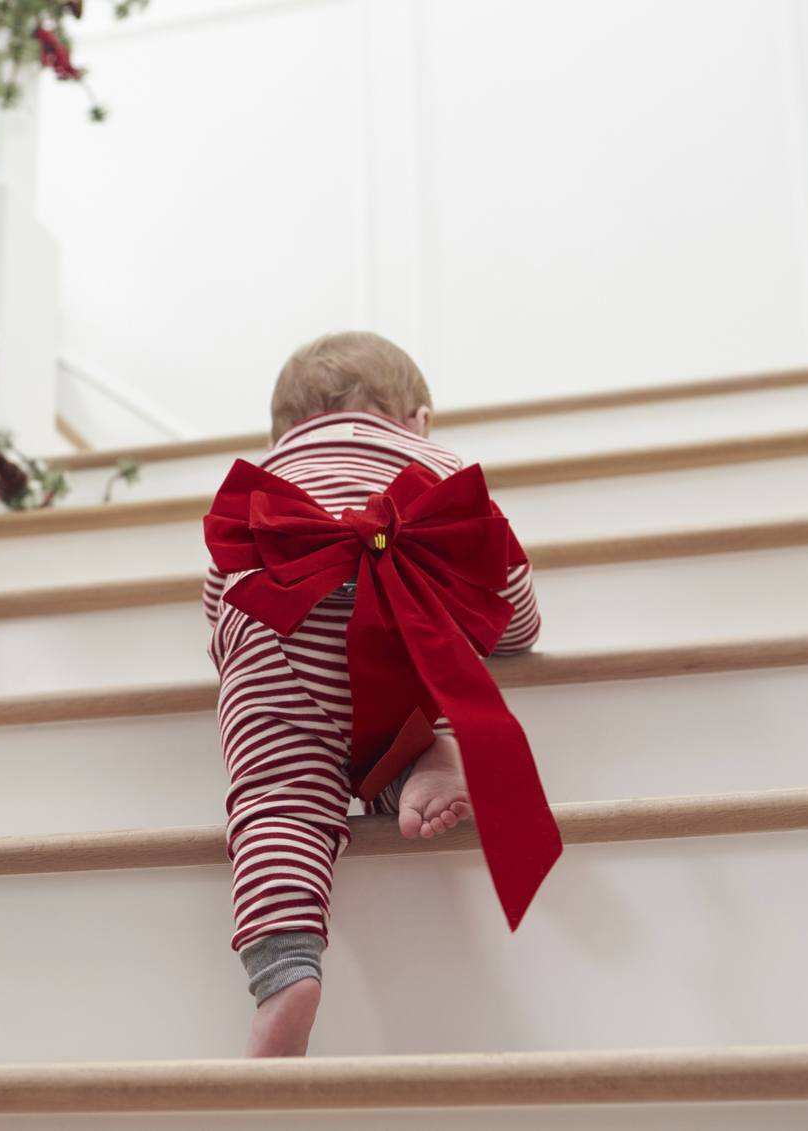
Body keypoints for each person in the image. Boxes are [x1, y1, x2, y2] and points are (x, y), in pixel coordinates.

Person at [201, 330, 548, 1058]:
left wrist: (239, 649)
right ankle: (415, 759)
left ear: (282, 428)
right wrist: (513, 632)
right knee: (394, 711)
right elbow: (504, 588)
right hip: (397, 634)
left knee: (276, 796)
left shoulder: (264, 474)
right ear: (416, 417)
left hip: (273, 627)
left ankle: (283, 971)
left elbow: (220, 583)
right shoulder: (439, 466)